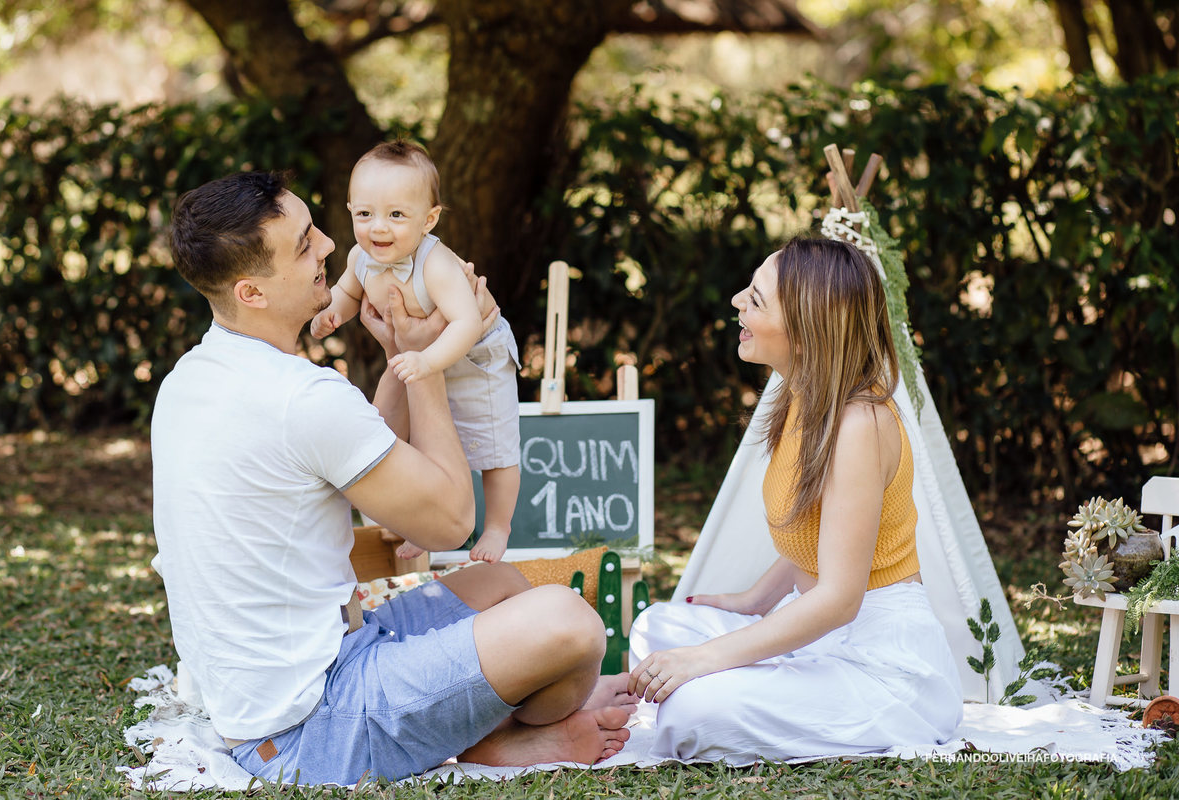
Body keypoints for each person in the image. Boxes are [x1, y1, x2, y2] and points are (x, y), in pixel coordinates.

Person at [152, 171, 633, 785]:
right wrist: (431, 361)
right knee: (569, 622)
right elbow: (455, 520)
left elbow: (358, 454)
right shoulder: (301, 397)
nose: (330, 245)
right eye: (304, 244)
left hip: (323, 657)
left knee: (500, 581)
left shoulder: (193, 376)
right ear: (252, 291)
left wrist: (402, 352)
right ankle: (497, 742)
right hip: (310, 726)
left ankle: (472, 729)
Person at [627, 237, 962, 763]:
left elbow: (839, 599)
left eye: (756, 300)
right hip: (817, 633)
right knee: (658, 628)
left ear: (806, 335)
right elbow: (820, 530)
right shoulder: (801, 396)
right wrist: (753, 603)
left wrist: (706, 658)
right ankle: (747, 678)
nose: (738, 300)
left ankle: (730, 690)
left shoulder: (859, 423)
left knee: (693, 710)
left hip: (881, 661)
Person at [310, 141, 520, 564]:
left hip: (477, 355)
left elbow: (465, 322)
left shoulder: (436, 264)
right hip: (423, 355)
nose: (378, 228)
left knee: (494, 443)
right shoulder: (360, 257)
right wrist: (331, 313)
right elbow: (347, 292)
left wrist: (427, 361)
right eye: (365, 214)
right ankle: (426, 525)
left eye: (396, 215)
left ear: (429, 220)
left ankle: (498, 525)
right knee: (426, 444)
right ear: (350, 209)